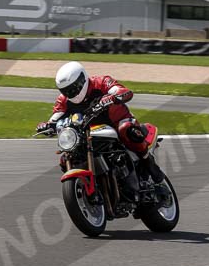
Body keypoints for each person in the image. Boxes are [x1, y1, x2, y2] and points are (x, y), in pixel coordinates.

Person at [36, 61, 164, 184]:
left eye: (74, 88)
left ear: (83, 79)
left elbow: (123, 91)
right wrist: (46, 126)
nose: (71, 93)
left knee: (126, 130)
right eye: (66, 91)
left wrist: (111, 98)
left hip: (117, 122)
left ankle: (149, 164)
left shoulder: (101, 82)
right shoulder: (63, 100)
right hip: (89, 131)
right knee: (66, 157)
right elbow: (55, 117)